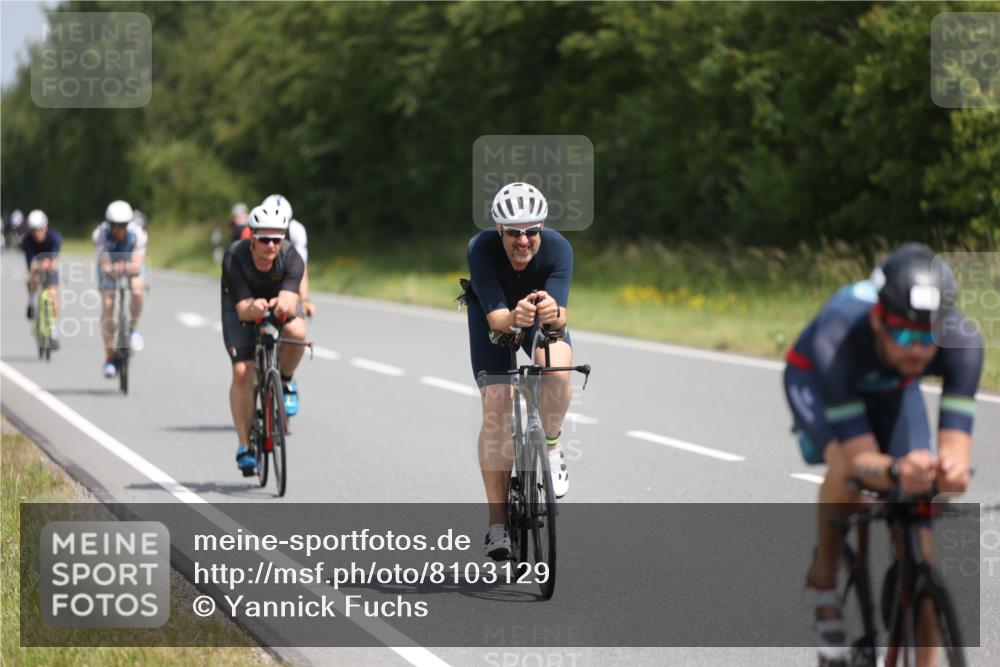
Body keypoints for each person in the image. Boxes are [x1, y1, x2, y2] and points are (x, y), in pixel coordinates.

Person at [783, 243, 983, 663]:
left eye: (928, 336)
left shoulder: (962, 345)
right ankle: (823, 586)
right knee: (847, 471)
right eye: (904, 334)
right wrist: (894, 472)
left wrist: (948, 470)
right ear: (878, 321)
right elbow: (860, 459)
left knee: (921, 540)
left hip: (893, 386)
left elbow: (954, 449)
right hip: (819, 380)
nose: (917, 348)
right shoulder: (836, 337)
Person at [463, 182, 574, 560]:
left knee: (558, 370)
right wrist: (514, 316)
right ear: (500, 230)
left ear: (541, 226)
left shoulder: (559, 248)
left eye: (530, 230)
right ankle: (497, 524)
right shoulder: (481, 249)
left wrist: (549, 313)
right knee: (497, 407)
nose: (523, 240)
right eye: (514, 232)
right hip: (493, 319)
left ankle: (553, 446)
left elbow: (562, 316)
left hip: (539, 319)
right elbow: (497, 322)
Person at [221, 203, 307, 476]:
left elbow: (291, 298)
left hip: (275, 300)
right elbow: (243, 308)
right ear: (252, 238)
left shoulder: (292, 257)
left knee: (297, 333)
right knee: (243, 371)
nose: (271, 245)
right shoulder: (235, 257)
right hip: (241, 305)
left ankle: (285, 380)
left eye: (276, 239)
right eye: (265, 239)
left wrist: (283, 304)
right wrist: (254, 308)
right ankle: (245, 446)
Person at [93, 200, 148, 378]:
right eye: (116, 226)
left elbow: (138, 264)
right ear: (109, 225)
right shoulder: (100, 234)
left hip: (130, 262)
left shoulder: (138, 234)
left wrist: (129, 267)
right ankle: (109, 357)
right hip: (110, 266)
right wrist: (110, 269)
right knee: (108, 305)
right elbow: (104, 263)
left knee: (137, 288)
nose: (120, 230)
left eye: (123, 225)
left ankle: (133, 327)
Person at [21, 210, 63, 347]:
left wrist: (49, 264)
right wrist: (37, 267)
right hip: (36, 265)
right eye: (33, 230)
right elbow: (30, 264)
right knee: (33, 278)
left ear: (45, 227)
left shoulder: (54, 237)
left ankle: (53, 330)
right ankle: (31, 301)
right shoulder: (27, 241)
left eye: (39, 229)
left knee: (53, 295)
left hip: (50, 264)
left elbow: (55, 259)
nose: (36, 233)